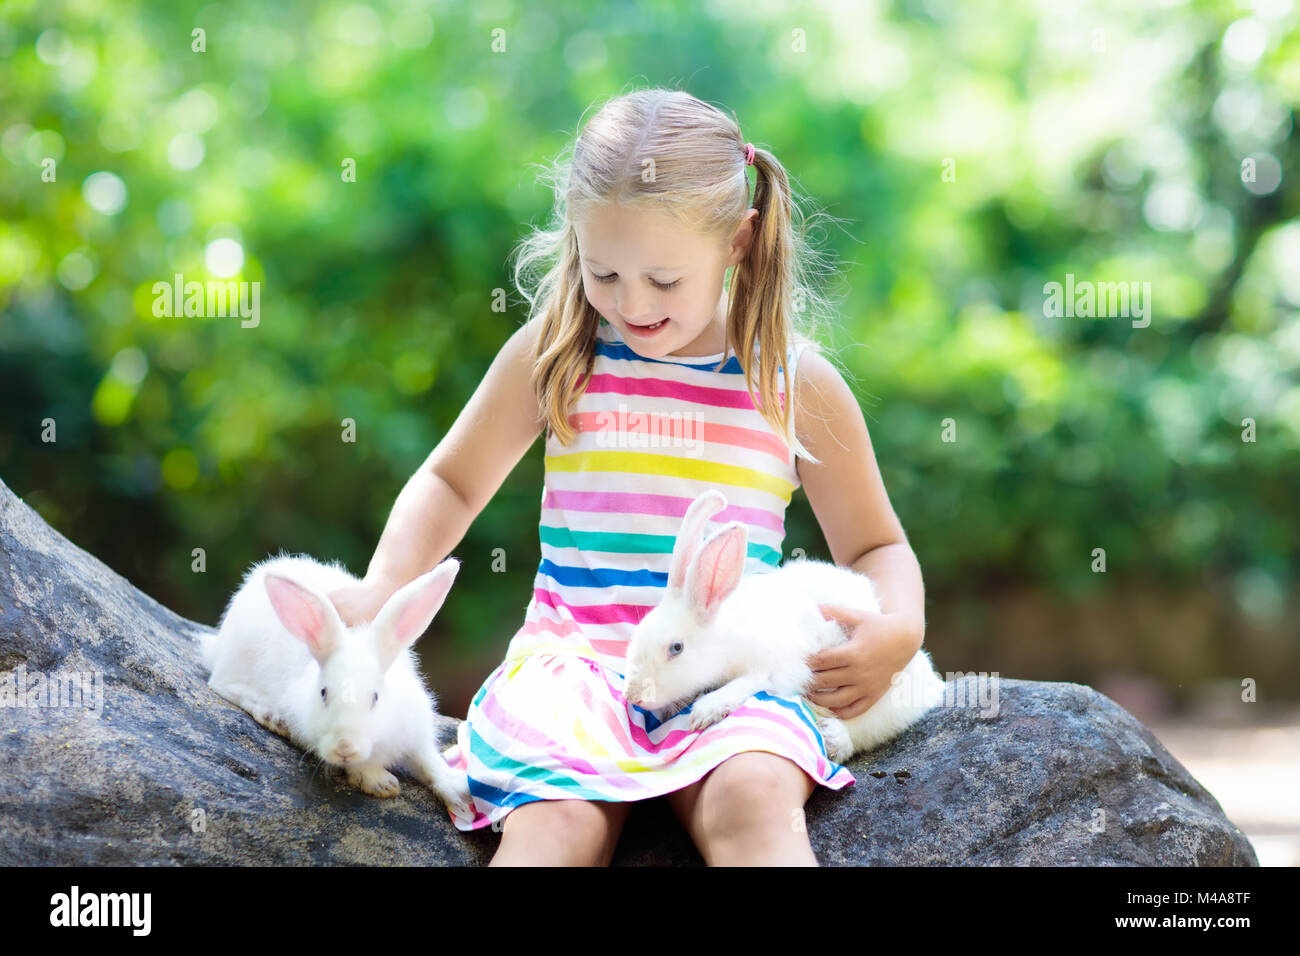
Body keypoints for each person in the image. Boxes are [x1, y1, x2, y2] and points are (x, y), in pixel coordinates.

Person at [329, 88, 928, 865]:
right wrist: (382, 587)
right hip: (570, 662)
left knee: (754, 798)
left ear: (740, 242)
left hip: (726, 673)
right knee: (557, 827)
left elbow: (876, 544)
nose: (630, 303)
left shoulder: (792, 383)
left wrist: (900, 629)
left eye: (664, 280)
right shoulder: (558, 353)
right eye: (601, 272)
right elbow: (452, 483)